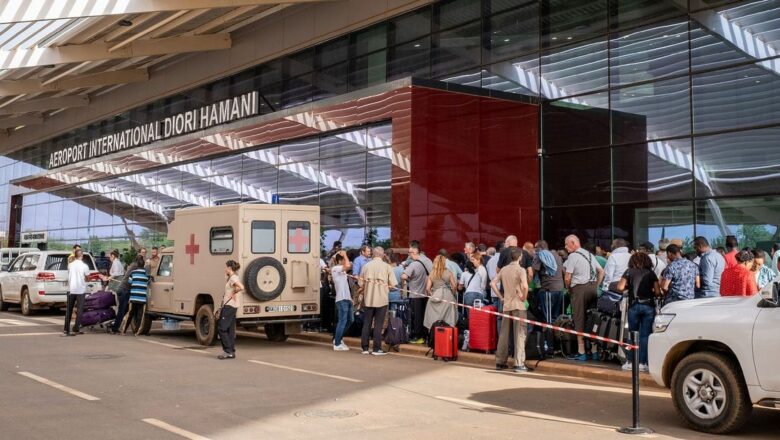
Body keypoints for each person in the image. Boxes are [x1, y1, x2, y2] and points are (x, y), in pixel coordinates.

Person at [616, 252, 660, 372]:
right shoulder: (651, 273)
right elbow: (657, 292)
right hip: (648, 306)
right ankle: (642, 363)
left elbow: (619, 287)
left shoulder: (629, 271)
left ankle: (630, 361)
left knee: (632, 334)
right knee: (645, 335)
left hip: (634, 306)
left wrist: (628, 288)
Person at [562, 235, 604, 361]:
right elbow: (601, 271)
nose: (565, 247)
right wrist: (596, 285)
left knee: (579, 318)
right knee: (592, 319)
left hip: (579, 289)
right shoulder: (590, 255)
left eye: (566, 244)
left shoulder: (573, 256)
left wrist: (569, 288)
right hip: (592, 289)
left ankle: (582, 352)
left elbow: (567, 277)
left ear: (573, 243)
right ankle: (594, 351)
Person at [491, 247, 529, 373]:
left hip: (506, 304)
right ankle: (519, 363)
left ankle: (500, 361)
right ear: (520, 257)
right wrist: (524, 297)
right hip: (518, 304)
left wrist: (501, 297)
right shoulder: (521, 270)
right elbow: (524, 285)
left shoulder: (504, 269)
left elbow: (492, 283)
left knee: (503, 334)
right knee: (520, 333)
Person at [358, 247, 396, 355]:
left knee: (367, 323)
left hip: (368, 299)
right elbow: (393, 285)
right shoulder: (387, 266)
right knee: (378, 325)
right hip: (382, 299)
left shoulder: (366, 266)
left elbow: (360, 283)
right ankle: (376, 349)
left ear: (373, 254)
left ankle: (365, 348)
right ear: (383, 255)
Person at [402, 244, 432, 343]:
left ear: (414, 252)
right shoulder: (428, 261)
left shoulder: (414, 264)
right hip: (425, 293)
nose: (409, 255)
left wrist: (408, 277)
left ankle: (417, 336)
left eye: (409, 252)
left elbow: (404, 276)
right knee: (424, 315)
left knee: (416, 317)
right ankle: (424, 335)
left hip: (415, 294)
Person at [529, 240, 564, 323]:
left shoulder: (540, 255)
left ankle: (548, 335)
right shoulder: (557, 255)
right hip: (559, 289)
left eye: (535, 247)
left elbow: (532, 272)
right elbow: (563, 271)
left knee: (548, 319)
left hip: (548, 289)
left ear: (540, 248)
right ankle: (556, 335)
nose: (534, 250)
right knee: (556, 317)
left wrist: (528, 285)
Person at [217, 260, 244, 360]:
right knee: (230, 330)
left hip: (229, 306)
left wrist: (235, 292)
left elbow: (241, 287)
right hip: (232, 306)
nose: (225, 269)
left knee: (221, 328)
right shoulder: (232, 277)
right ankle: (231, 351)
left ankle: (228, 351)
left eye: (226, 267)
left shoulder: (233, 278)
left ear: (229, 268)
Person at [424, 255, 458, 330]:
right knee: (448, 317)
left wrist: (432, 294)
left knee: (433, 317)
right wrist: (452, 293)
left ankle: (434, 333)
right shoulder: (448, 272)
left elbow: (427, 288)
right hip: (447, 296)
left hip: (435, 295)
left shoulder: (432, 273)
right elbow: (454, 286)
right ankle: (447, 334)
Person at [62, 249, 90, 336]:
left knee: (69, 310)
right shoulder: (85, 266)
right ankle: (76, 328)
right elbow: (88, 278)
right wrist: (85, 279)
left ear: (75, 256)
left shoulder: (70, 265)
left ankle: (66, 329)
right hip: (80, 290)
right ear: (82, 256)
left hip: (71, 290)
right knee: (79, 310)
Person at [121, 256, 150, 335]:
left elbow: (130, 282)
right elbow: (148, 283)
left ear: (137, 264)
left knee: (130, 314)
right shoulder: (147, 275)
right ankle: (137, 332)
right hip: (142, 299)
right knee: (141, 316)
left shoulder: (133, 273)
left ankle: (124, 330)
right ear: (144, 265)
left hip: (133, 297)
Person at [331, 251, 353, 351]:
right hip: (341, 299)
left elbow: (349, 265)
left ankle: (337, 338)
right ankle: (337, 343)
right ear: (340, 260)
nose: (345, 260)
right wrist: (344, 254)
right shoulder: (336, 268)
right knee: (342, 321)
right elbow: (348, 265)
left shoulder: (341, 270)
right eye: (343, 259)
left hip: (347, 298)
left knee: (350, 320)